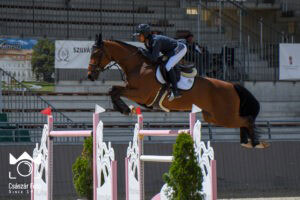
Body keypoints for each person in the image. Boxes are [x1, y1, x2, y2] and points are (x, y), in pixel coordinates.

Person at [133, 24, 187, 101]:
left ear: (145, 34)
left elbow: (153, 58)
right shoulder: (147, 42)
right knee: (161, 62)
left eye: (139, 35)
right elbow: (151, 57)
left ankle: (176, 91)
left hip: (179, 48)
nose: (138, 37)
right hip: (170, 51)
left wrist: (143, 51)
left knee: (168, 66)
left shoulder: (155, 40)